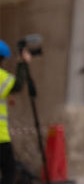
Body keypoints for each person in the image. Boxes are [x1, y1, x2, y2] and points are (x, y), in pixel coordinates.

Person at [0, 40, 31, 184]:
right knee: (9, 171)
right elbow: (18, 85)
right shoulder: (1, 76)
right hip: (0, 137)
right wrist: (23, 63)